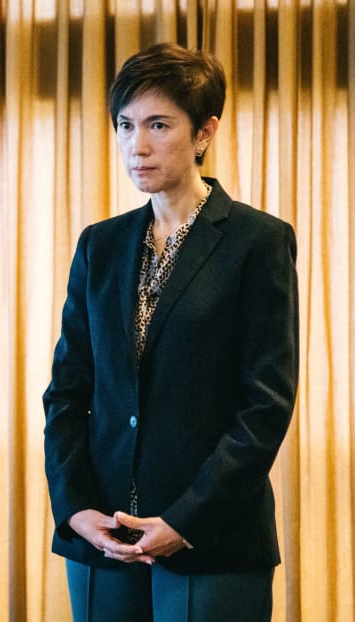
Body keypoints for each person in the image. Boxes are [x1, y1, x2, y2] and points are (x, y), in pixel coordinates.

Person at [43, 43, 298, 621]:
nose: (138, 145)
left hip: (212, 539)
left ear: (204, 132)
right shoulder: (99, 245)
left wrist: (186, 520)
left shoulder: (257, 242)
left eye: (159, 124)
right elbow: (67, 391)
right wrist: (75, 507)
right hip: (101, 537)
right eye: (126, 125)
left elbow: (265, 405)